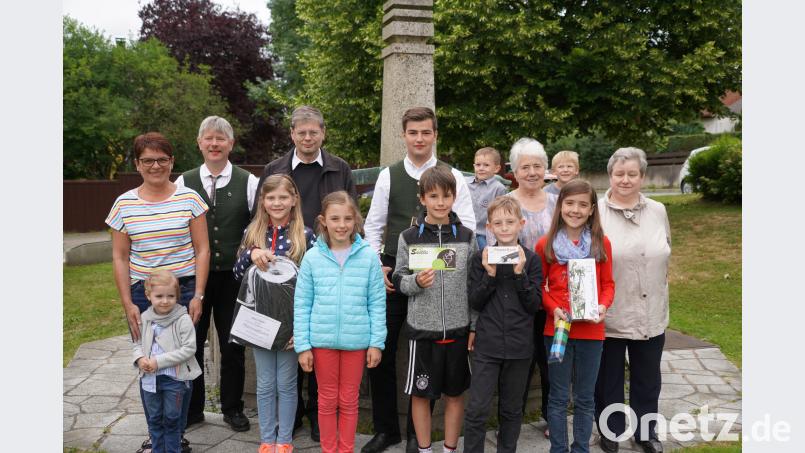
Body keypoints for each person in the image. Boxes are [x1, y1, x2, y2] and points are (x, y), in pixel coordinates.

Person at [362, 107, 475, 453]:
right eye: (413, 133)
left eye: (426, 132)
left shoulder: (452, 175)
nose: (420, 139)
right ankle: (386, 429)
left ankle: (418, 436)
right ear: (405, 135)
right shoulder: (389, 176)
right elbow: (373, 226)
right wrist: (374, 265)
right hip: (397, 270)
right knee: (382, 348)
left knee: (425, 354)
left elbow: (469, 224)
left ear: (435, 134)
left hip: (446, 275)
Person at [256, 106, 357, 440]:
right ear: (292, 134)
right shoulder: (275, 169)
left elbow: (352, 212)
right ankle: (292, 416)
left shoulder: (339, 168)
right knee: (290, 339)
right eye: (302, 132)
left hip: (326, 263)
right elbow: (262, 213)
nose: (308, 137)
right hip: (282, 269)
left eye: (314, 132)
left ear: (323, 133)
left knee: (316, 341)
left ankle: (317, 415)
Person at [107, 132, 209, 453]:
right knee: (148, 362)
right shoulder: (124, 204)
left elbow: (203, 249)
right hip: (143, 295)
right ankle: (156, 434)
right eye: (148, 160)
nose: (155, 166)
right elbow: (120, 257)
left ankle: (176, 434)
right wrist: (128, 303)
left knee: (181, 365)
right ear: (137, 164)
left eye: (162, 160)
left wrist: (199, 295)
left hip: (184, 290)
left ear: (172, 162)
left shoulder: (189, 199)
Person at [174, 116, 259, 433]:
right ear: (199, 143)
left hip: (233, 279)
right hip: (194, 275)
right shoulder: (183, 181)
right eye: (208, 139)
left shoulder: (248, 181)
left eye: (220, 139)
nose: (214, 144)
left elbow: (256, 227)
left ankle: (233, 408)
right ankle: (193, 409)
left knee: (233, 344)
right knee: (191, 343)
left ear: (230, 144)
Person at [294, 191, 387, 453]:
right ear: (324, 221)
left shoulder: (368, 257)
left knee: (348, 400)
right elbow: (302, 304)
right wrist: (303, 346)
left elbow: (377, 303)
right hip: (321, 343)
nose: (342, 224)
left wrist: (376, 343)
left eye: (348, 218)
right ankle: (328, 449)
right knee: (326, 400)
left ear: (356, 219)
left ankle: (345, 449)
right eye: (335, 218)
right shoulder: (312, 257)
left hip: (357, 342)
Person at [392, 166, 477, 453]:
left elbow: (474, 285)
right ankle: (426, 449)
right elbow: (398, 278)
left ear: (454, 197)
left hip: (457, 328)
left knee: (455, 394)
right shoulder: (409, 237)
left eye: (446, 196)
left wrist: (473, 326)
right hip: (423, 331)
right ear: (422, 198)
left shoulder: (466, 237)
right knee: (420, 394)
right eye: (433, 196)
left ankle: (450, 449)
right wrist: (416, 281)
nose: (440, 202)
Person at [594, 148, 671, 453]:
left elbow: (666, 249)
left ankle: (646, 432)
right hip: (609, 313)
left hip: (651, 312)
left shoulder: (658, 210)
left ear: (642, 176)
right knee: (608, 381)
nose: (625, 180)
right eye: (619, 174)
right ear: (610, 175)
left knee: (647, 379)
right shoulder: (595, 212)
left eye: (632, 174)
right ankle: (609, 432)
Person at [232, 174, 317, 453]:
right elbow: (237, 275)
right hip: (259, 322)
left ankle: (285, 440)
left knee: (288, 382)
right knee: (266, 382)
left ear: (294, 200)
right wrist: (251, 254)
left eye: (283, 197)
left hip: (292, 323)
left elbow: (315, 281)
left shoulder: (304, 236)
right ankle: (267, 439)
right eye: (271, 198)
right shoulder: (252, 233)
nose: (277, 202)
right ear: (262, 201)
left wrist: (303, 328)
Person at [535, 179, 615, 453]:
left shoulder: (601, 243)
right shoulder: (545, 245)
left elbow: (608, 285)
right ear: (560, 206)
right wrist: (552, 308)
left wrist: (603, 306)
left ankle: (581, 448)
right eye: (569, 203)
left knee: (585, 397)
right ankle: (559, 449)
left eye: (583, 204)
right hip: (556, 330)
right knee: (557, 397)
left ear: (592, 209)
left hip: (592, 331)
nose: (575, 210)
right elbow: (539, 287)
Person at [463, 196, 542, 453]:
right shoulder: (480, 259)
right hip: (488, 346)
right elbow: (475, 301)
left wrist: (519, 274)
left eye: (510, 222)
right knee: (477, 409)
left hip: (520, 347)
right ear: (490, 228)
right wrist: (490, 275)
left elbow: (534, 305)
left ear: (521, 224)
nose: (505, 228)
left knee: (511, 409)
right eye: (498, 223)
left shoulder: (531, 260)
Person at [494, 137, 557, 436]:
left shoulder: (558, 203)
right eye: (525, 167)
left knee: (548, 359)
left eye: (537, 166)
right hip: (516, 295)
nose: (532, 172)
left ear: (545, 169)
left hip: (552, 295)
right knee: (518, 360)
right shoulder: (507, 204)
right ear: (514, 171)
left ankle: (550, 414)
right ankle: (511, 419)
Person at [133, 270, 203, 453]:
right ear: (148, 296)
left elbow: (188, 349)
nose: (165, 301)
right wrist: (140, 358)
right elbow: (136, 343)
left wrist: (158, 361)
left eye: (171, 296)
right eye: (159, 296)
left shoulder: (183, 319)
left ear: (177, 296)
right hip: (150, 380)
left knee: (172, 420)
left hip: (175, 380)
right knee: (155, 420)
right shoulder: (144, 319)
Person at [466, 147, 509, 250]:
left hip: (483, 234)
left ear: (496, 168)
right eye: (478, 165)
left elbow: (500, 215)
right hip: (464, 232)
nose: (481, 168)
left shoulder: (499, 188)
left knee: (485, 258)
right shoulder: (465, 183)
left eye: (486, 165)